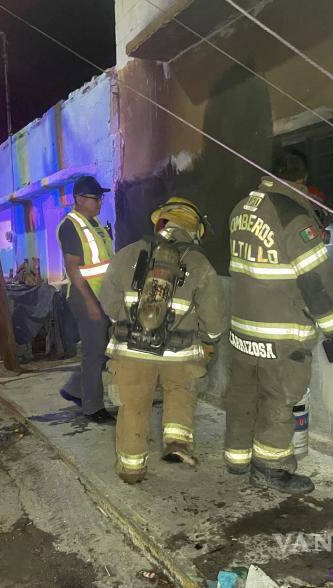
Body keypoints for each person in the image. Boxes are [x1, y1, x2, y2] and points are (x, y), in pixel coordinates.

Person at [225, 149, 333, 495]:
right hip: (281, 334)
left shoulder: (240, 210)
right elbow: (317, 282)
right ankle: (271, 468)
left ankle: (237, 459)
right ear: (301, 179)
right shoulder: (294, 217)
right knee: (279, 399)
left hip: (243, 331)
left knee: (243, 396)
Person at [99, 197, 227, 484]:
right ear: (194, 230)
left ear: (160, 223)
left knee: (133, 407)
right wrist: (207, 341)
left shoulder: (127, 254)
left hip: (131, 349)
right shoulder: (199, 262)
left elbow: (107, 302)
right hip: (179, 353)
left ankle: (131, 469)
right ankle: (177, 439)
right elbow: (215, 319)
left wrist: (126, 322)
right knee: (181, 388)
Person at [57, 175, 115, 424]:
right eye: (95, 198)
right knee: (94, 352)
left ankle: (75, 388)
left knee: (102, 349)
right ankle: (93, 407)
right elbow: (73, 268)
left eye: (100, 198)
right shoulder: (71, 226)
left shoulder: (95, 224)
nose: (99, 203)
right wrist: (91, 304)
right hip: (85, 296)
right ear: (79, 199)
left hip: (102, 295)